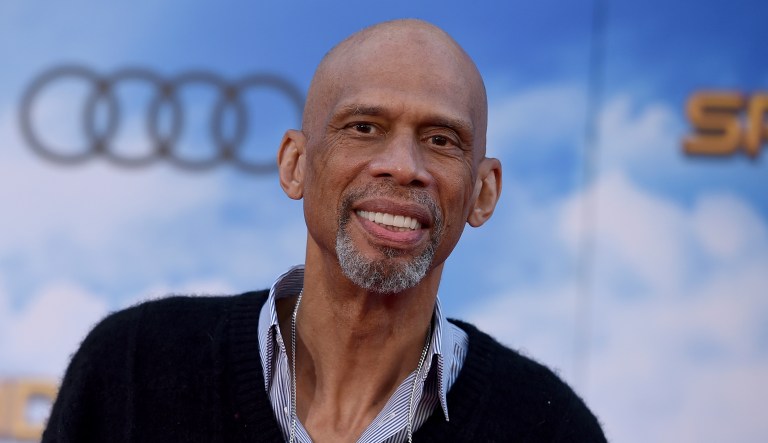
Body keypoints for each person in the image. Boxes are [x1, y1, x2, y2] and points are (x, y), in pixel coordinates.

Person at [42, 19, 606, 443]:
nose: (403, 165)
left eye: (440, 140)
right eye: (364, 127)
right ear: (295, 165)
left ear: (483, 193)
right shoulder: (134, 366)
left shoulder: (548, 427)